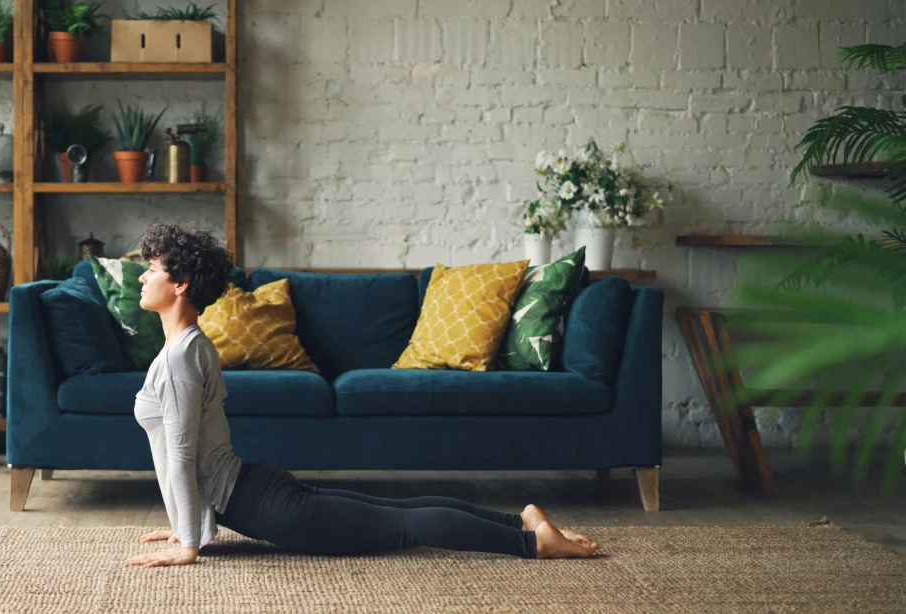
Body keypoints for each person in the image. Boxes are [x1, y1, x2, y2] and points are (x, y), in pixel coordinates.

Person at [124, 224, 600, 569]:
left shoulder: (182, 356)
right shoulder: (189, 345)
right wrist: (191, 525)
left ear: (181, 284)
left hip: (261, 504)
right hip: (254, 490)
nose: (143, 278)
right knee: (396, 511)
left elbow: (184, 453)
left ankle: (534, 544)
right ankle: (521, 521)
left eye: (152, 269)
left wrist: (188, 542)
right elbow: (191, 453)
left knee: (401, 526)